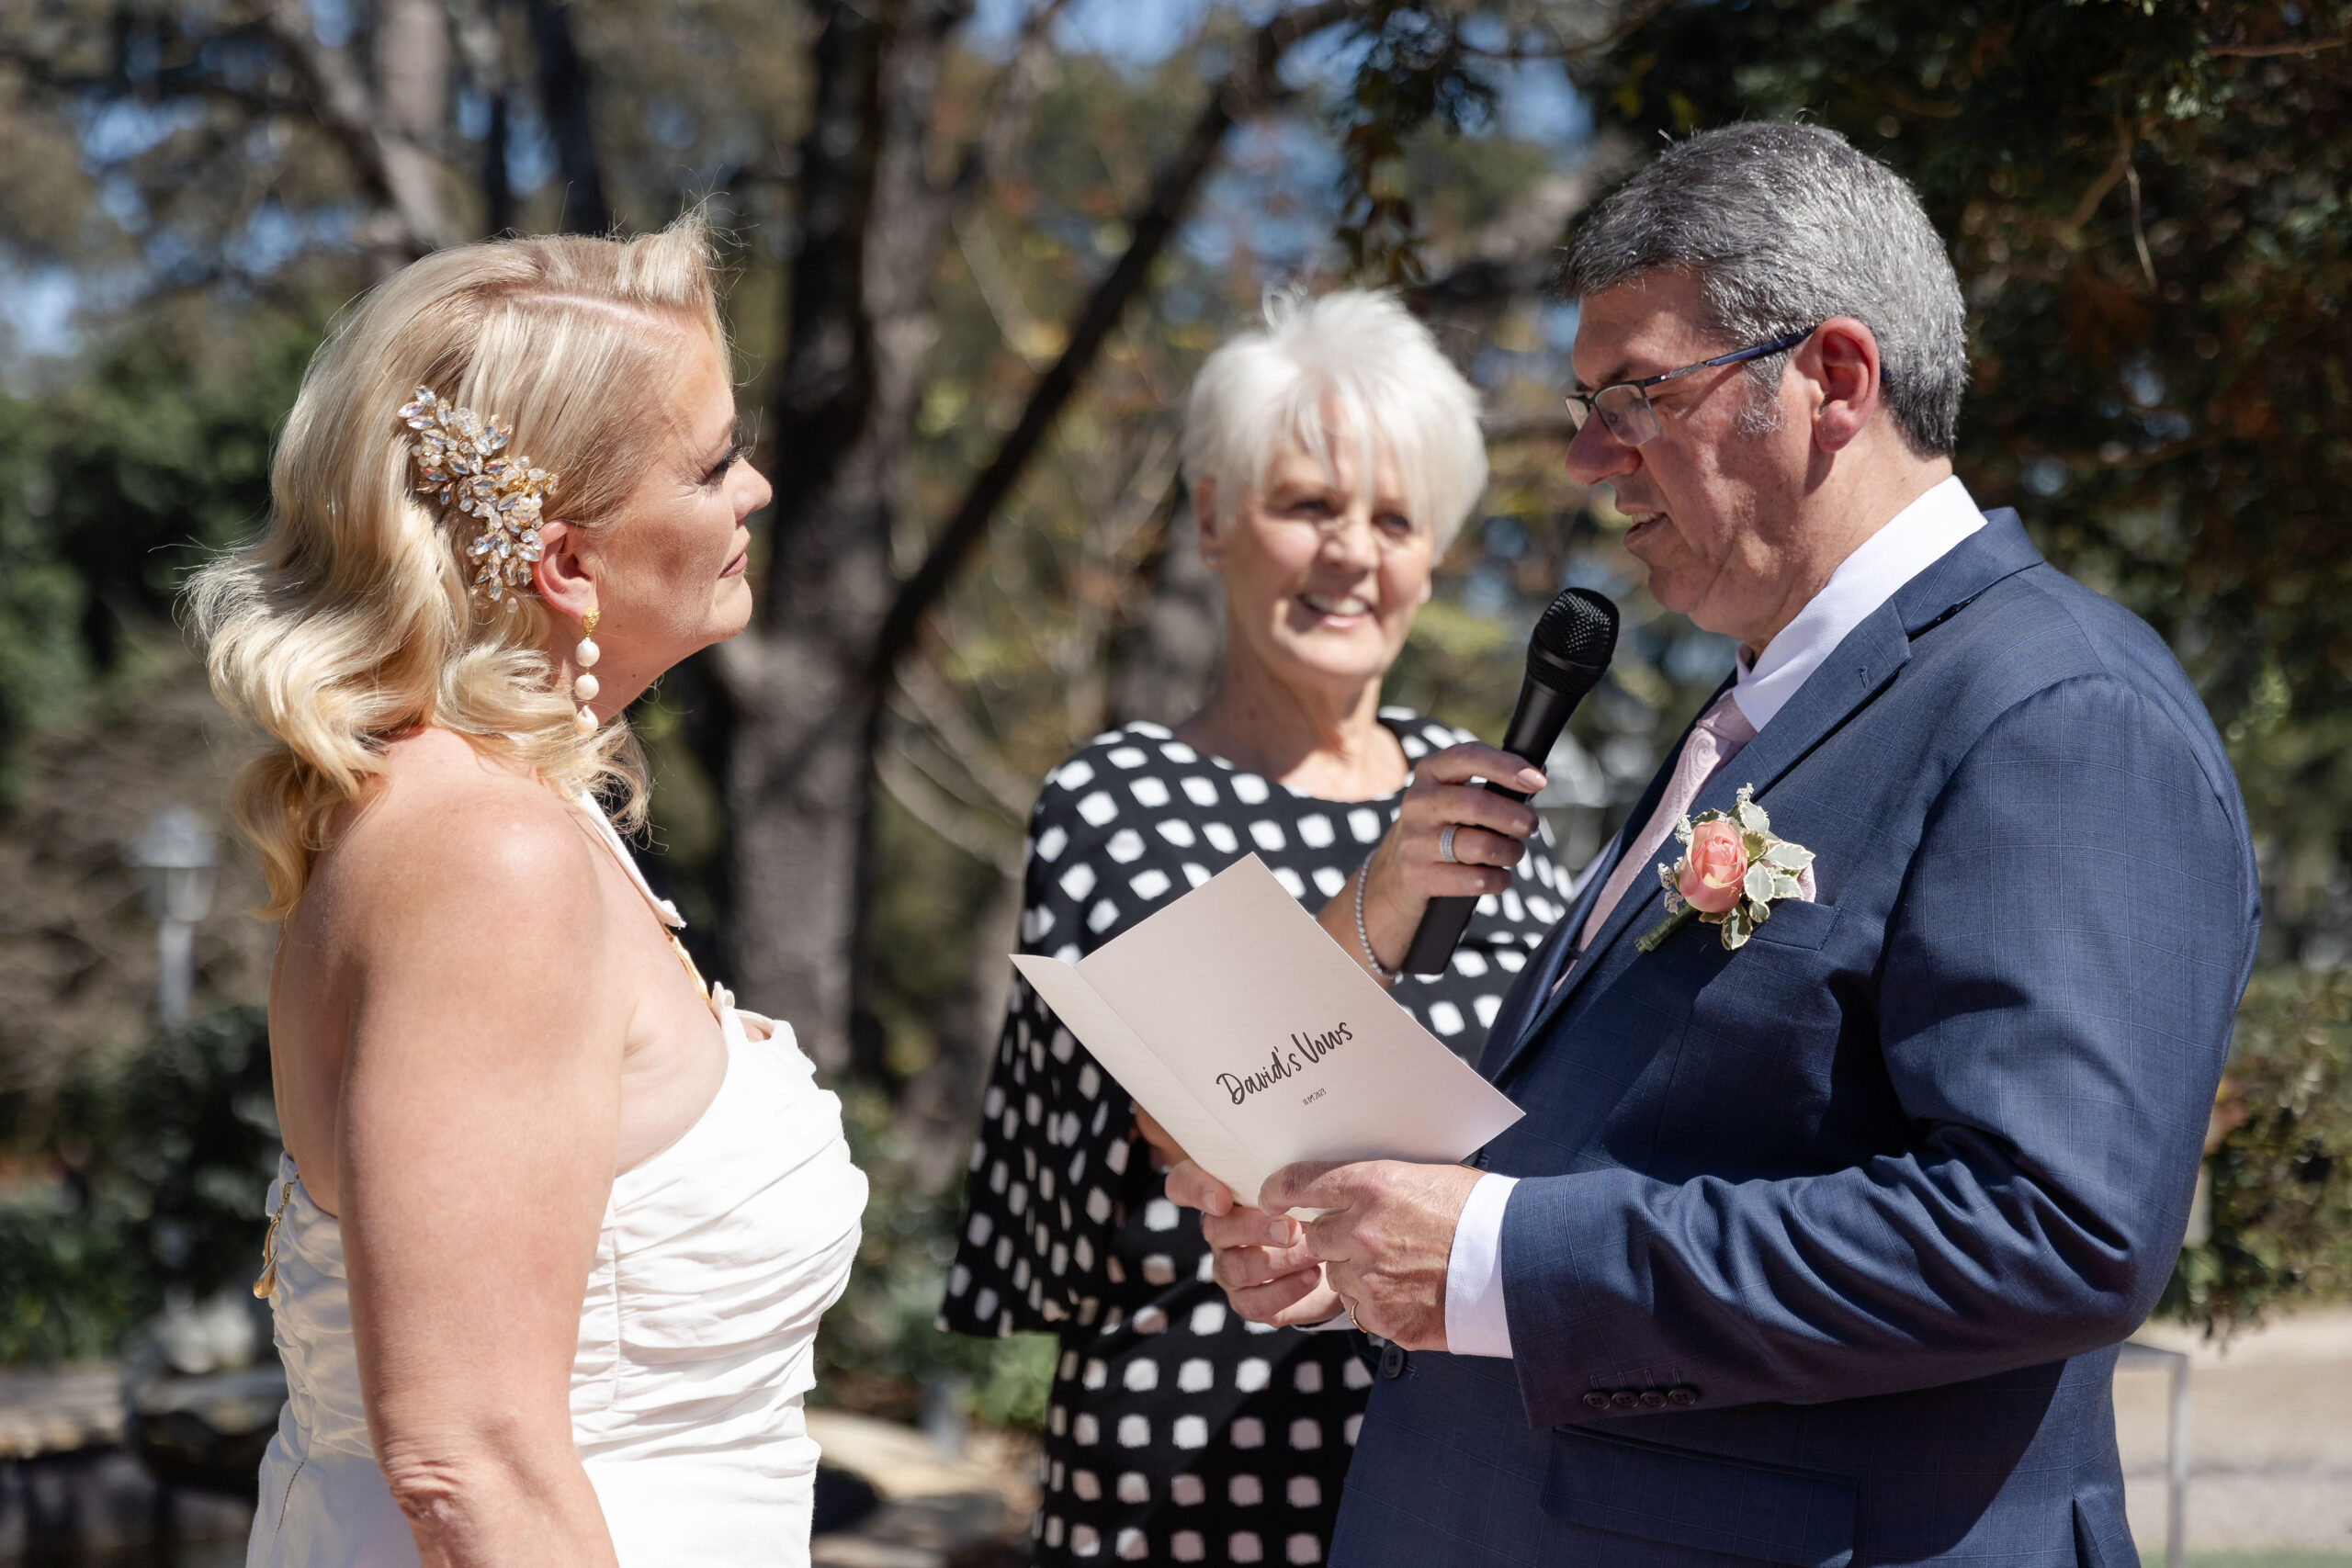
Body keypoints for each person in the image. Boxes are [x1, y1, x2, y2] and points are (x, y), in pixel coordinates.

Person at [1176, 124, 2260, 1565]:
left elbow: (2048, 1231)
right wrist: (1384, 1249)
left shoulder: (2060, 712)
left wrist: (1497, 1259)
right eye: (1587, 406)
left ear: (1835, 382)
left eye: (1638, 394)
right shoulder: (1770, 704)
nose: (1588, 458)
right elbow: (1656, 1137)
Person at [188, 216, 867, 1567]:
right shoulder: (486, 858)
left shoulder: (513, 812)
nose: (756, 489)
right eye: (712, 462)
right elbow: (468, 1462)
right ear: (565, 563)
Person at [941, 289, 1575, 1567]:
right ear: (1212, 516)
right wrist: (1380, 901)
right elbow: (1180, 1114)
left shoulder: (1485, 800)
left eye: (1394, 520)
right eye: (1308, 505)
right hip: (1194, 1471)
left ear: (1434, 555)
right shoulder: (1120, 797)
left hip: (1468, 1467)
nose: (1352, 555)